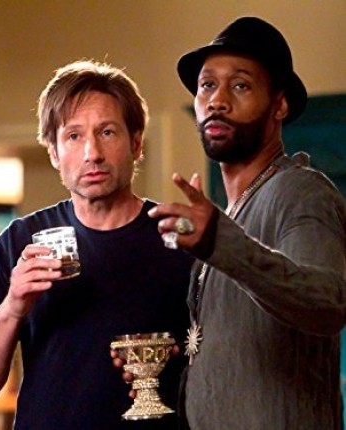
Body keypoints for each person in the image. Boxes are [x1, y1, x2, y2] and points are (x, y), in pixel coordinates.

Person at [0, 60, 193, 429]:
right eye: (74, 136)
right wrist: (13, 306)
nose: (92, 153)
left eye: (107, 132)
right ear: (53, 152)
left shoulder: (180, 238)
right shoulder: (20, 241)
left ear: (136, 142)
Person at [149, 16, 346, 429]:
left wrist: (218, 241)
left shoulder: (300, 191)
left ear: (279, 105)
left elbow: (327, 304)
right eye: (207, 85)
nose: (217, 101)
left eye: (240, 86)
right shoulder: (228, 217)